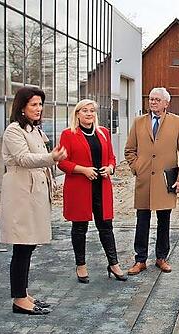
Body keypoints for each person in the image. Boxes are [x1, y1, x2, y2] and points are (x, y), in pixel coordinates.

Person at [0, 86, 67, 315]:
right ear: (22, 107)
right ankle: (19, 298)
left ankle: (23, 293)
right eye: (33, 104)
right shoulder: (13, 130)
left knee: (28, 245)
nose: (38, 109)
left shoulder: (34, 129)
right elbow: (23, 158)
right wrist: (51, 157)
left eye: (40, 104)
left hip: (33, 193)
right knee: (22, 245)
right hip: (21, 194)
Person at [125, 87, 179, 275]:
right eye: (151, 99)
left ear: (166, 103)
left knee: (164, 220)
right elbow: (129, 150)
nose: (152, 102)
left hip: (165, 181)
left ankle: (161, 257)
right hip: (144, 180)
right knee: (142, 220)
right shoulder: (139, 122)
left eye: (156, 100)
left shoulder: (177, 122)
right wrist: (137, 167)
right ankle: (140, 259)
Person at [58, 99, 124, 283]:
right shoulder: (68, 134)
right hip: (80, 188)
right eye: (85, 110)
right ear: (77, 114)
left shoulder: (103, 133)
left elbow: (111, 157)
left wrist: (110, 168)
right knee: (79, 228)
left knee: (106, 227)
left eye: (92, 110)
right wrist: (83, 170)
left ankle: (113, 263)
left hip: (101, 187)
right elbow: (62, 162)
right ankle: (81, 265)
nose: (89, 114)